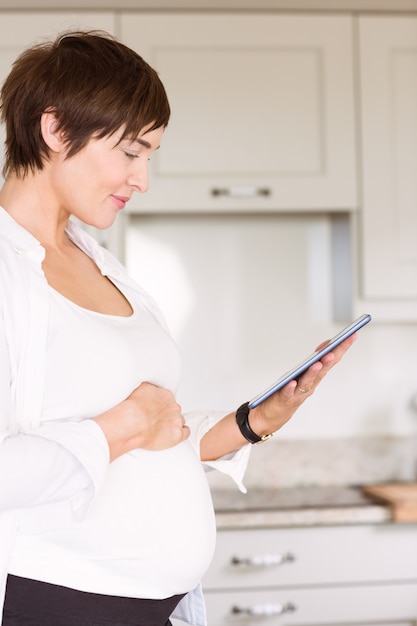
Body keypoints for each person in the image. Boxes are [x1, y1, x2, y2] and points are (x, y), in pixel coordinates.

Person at [0, 30, 355, 626]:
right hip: (58, 601)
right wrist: (117, 428)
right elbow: (117, 433)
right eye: (131, 152)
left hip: (151, 606)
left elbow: (156, 434)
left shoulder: (102, 263)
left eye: (150, 157)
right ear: (55, 130)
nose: (143, 180)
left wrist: (254, 421)